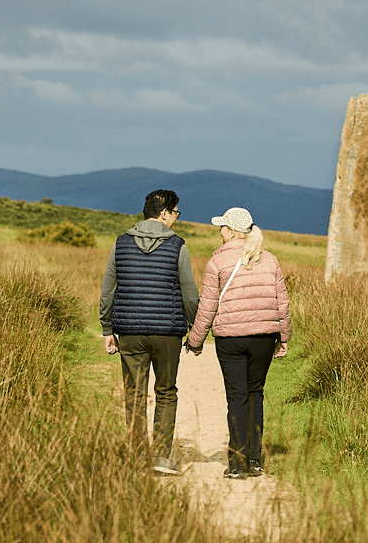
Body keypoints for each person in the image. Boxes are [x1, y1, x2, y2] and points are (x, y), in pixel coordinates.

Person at [184, 207, 291, 480]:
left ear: (232, 231)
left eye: (222, 227)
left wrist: (195, 340)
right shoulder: (270, 260)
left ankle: (237, 463)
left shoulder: (217, 263)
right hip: (264, 338)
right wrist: (284, 337)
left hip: (230, 339)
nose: (219, 231)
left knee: (236, 397)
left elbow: (207, 307)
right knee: (255, 393)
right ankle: (255, 460)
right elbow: (282, 302)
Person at [99, 189, 198, 475]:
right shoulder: (178, 246)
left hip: (129, 332)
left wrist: (107, 328)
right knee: (166, 392)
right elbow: (190, 294)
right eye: (175, 212)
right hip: (167, 332)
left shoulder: (120, 243)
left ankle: (136, 455)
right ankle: (161, 457)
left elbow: (108, 290)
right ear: (164, 213)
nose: (176, 218)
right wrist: (195, 329)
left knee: (134, 394)